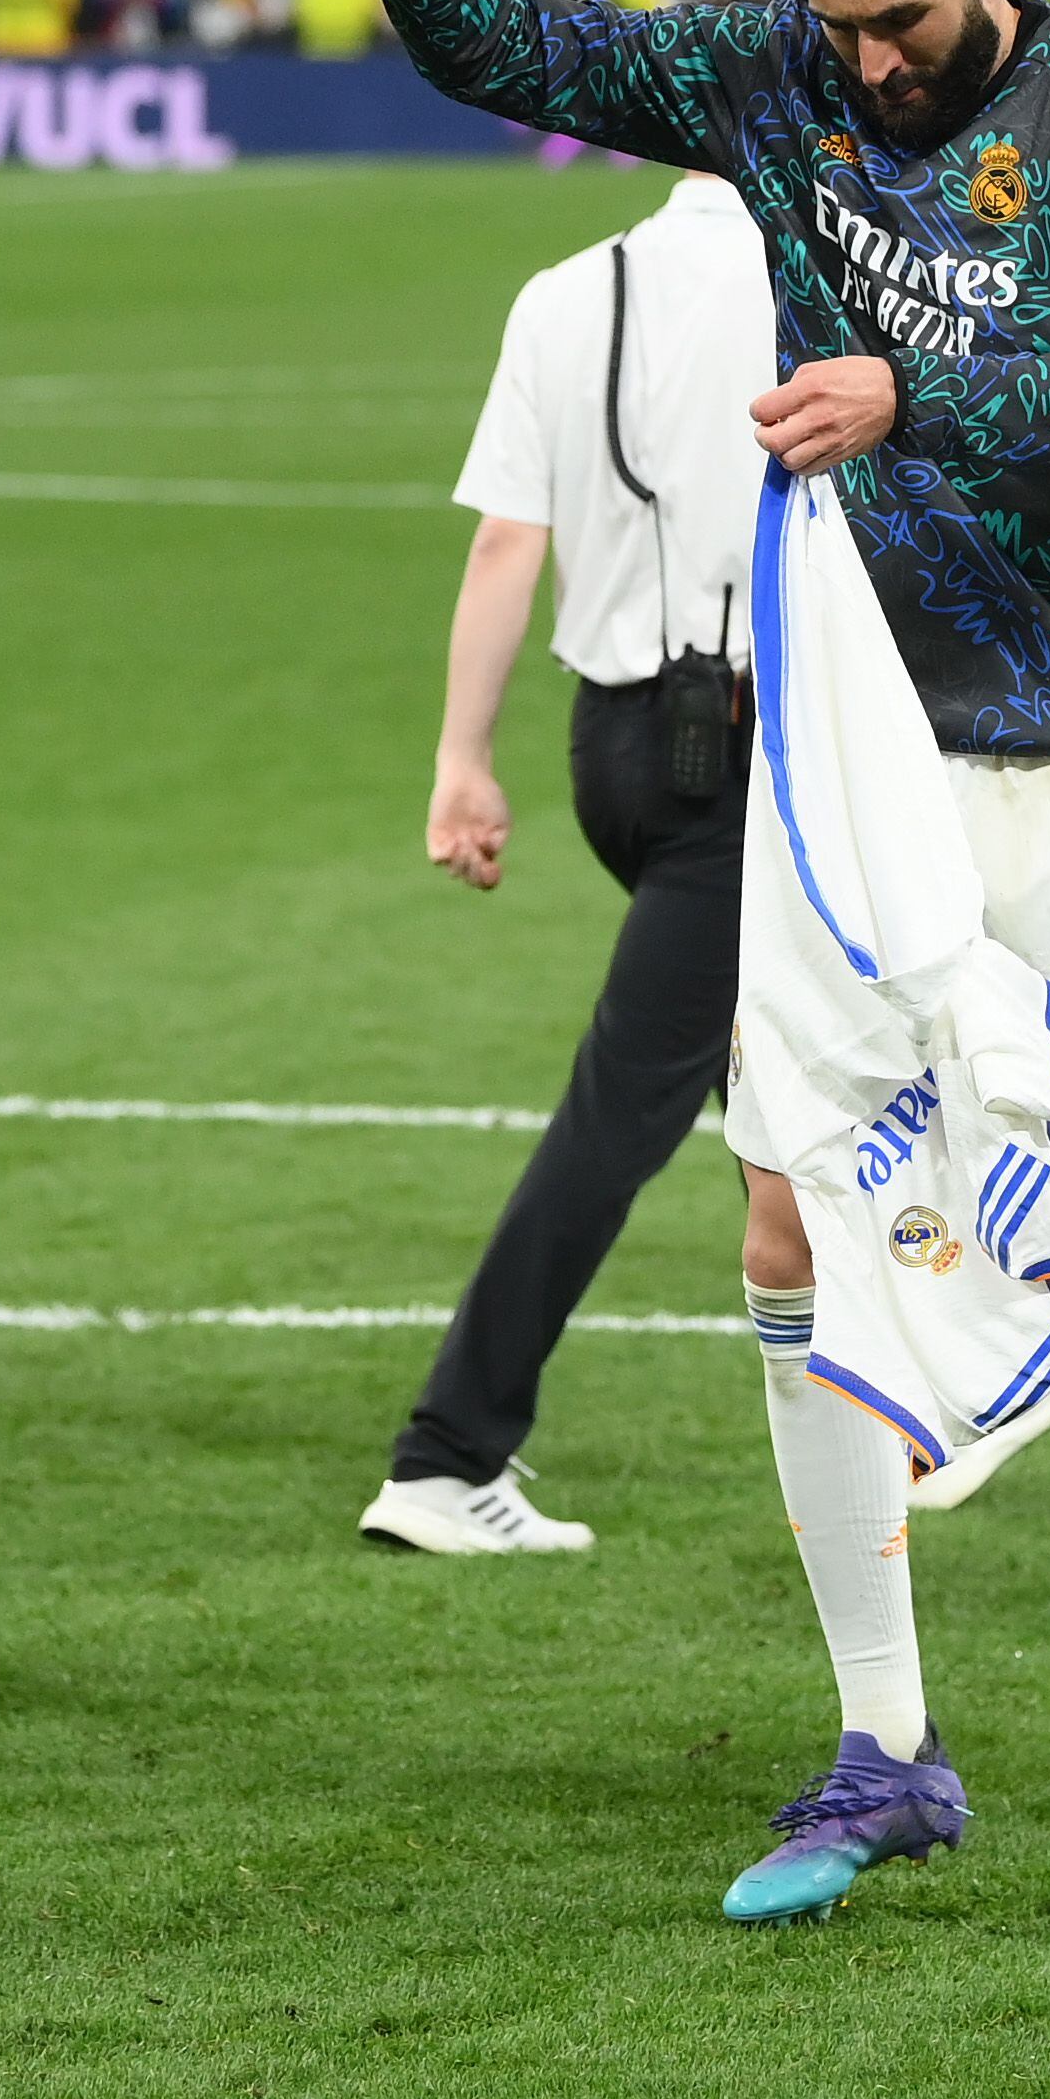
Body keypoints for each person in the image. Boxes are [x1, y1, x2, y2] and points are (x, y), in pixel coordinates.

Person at [328, 0, 1050, 1953]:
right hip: (848, 760)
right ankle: (885, 1746)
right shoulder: (771, 73)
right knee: (781, 1234)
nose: (866, 60)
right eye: (833, 18)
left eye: (902, 16)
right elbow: (490, 45)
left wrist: (908, 392)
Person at [358, 167, 777, 1560]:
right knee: (637, 1099)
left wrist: (461, 760)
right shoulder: (816, 269)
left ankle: (882, 1397)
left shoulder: (567, 290)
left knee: (783, 1067)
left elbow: (504, 545)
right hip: (745, 744)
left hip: (615, 747)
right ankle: (446, 1450)